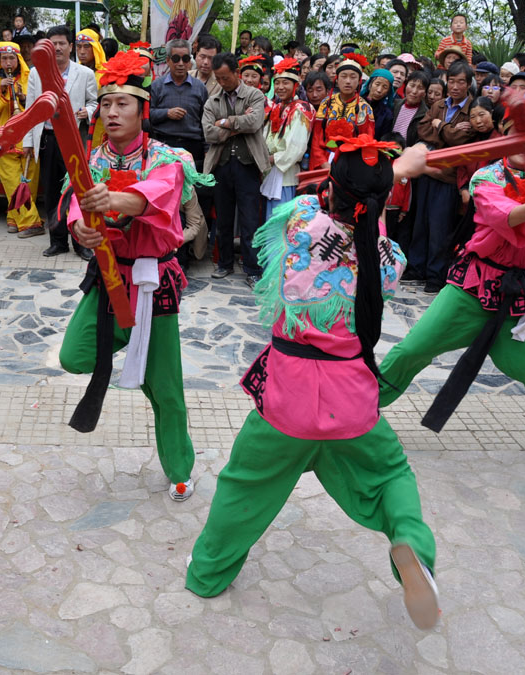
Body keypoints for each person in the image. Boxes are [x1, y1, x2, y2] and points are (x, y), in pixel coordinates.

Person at [186, 131, 441, 631]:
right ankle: (411, 545)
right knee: (391, 476)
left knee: (244, 486)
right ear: (382, 202)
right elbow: (368, 234)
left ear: (332, 192)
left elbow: (314, 204)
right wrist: (397, 176)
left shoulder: (301, 223)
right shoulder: (390, 262)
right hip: (352, 402)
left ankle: (208, 574)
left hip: (288, 396)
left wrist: (386, 177)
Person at [379, 107, 525, 476]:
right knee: (411, 350)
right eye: (519, 133)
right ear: (506, 137)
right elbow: (497, 210)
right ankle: (359, 411)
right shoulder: (486, 176)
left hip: (517, 296)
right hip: (471, 286)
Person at [59, 50, 213, 502]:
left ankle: (180, 467)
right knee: (73, 354)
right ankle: (135, 353)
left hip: (150, 281)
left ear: (142, 109)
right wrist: (80, 228)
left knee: (167, 388)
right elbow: (76, 205)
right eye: (105, 104)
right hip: (107, 278)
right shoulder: (89, 160)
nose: (111, 113)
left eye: (122, 104)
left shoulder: (170, 156)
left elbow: (153, 198)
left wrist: (109, 202)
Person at [23, 25, 98, 260]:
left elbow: (95, 102)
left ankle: (81, 243)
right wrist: (27, 142)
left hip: (74, 139)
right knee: (52, 192)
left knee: (76, 191)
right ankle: (57, 241)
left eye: (61, 43)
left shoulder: (84, 73)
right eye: (52, 43)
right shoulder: (36, 73)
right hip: (46, 139)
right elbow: (30, 110)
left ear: (70, 47)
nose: (57, 48)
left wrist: (88, 110)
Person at [406, 60, 476, 293]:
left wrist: (440, 128)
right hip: (427, 172)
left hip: (448, 177)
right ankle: (416, 269)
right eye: (452, 81)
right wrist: (446, 129)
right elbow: (421, 130)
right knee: (421, 224)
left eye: (461, 82)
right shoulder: (438, 105)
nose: (455, 86)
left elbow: (461, 141)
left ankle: (436, 276)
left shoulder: (473, 109)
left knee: (440, 228)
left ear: (468, 84)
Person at [203, 52, 269, 288]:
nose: (221, 82)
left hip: (247, 165)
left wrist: (226, 122)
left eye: (225, 78)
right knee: (223, 218)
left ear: (236, 73)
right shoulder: (213, 100)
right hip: (221, 165)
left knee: (250, 219)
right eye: (218, 78)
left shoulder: (254, 95)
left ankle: (252, 269)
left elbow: (254, 123)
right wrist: (237, 124)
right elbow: (208, 132)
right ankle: (225, 263)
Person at [0, 41, 42, 237]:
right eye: (4, 58)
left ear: (18, 60)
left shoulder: (30, 77)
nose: (8, 62)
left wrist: (23, 98)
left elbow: (39, 106)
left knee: (29, 181)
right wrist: (0, 90)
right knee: (12, 182)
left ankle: (13, 217)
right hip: (5, 137)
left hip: (29, 135)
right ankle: (31, 222)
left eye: (11, 58)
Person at [261, 58, 313, 219]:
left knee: (280, 221)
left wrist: (272, 158)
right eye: (277, 83)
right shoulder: (277, 107)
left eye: (286, 83)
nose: (280, 87)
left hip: (286, 172)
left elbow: (296, 147)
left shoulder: (302, 108)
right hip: (270, 168)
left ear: (295, 85)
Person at [150, 39, 209, 165]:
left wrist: (207, 149)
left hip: (193, 146)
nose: (181, 63)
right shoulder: (156, 86)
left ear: (190, 61)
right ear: (167, 60)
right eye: (176, 59)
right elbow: (146, 115)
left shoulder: (200, 88)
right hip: (164, 146)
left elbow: (206, 120)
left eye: (185, 59)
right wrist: (166, 113)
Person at [309, 57, 374, 169]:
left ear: (359, 81)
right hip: (324, 160)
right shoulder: (326, 103)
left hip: (351, 164)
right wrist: (324, 163)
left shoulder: (365, 108)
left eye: (353, 77)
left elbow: (366, 143)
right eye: (344, 76)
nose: (348, 81)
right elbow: (316, 139)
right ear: (337, 80)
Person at [361, 68, 395, 138]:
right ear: (370, 84)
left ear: (388, 92)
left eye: (385, 87)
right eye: (377, 84)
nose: (379, 90)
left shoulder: (387, 114)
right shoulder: (356, 103)